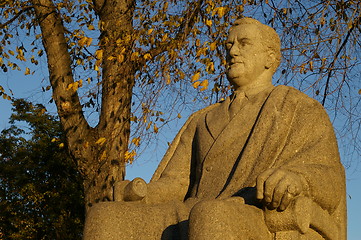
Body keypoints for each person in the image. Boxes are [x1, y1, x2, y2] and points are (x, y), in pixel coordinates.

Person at [83, 18, 346, 240]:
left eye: (243, 44)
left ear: (270, 57)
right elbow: (178, 181)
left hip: (255, 210)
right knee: (105, 217)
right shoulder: (202, 118)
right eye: (229, 45)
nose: (232, 52)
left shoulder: (297, 107)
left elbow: (329, 176)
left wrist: (297, 179)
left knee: (210, 215)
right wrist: (147, 192)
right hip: (190, 210)